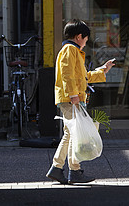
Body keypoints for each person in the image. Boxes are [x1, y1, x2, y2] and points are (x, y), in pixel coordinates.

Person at [46, 19, 115, 185]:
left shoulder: (71, 50)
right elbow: (67, 74)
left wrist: (102, 70)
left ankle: (58, 168)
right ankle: (73, 170)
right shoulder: (70, 50)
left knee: (70, 134)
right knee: (73, 134)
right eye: (85, 38)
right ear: (78, 37)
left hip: (70, 98)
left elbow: (83, 77)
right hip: (71, 99)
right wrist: (73, 95)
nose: (86, 42)